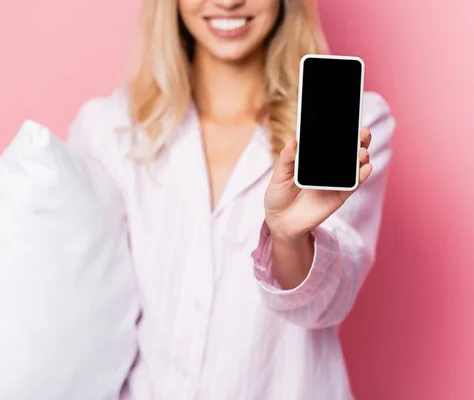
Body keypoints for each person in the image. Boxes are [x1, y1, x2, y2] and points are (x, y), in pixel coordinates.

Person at [67, 0, 395, 398]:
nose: (227, 1)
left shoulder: (351, 123)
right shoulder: (109, 129)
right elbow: (85, 312)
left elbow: (323, 306)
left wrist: (288, 237)